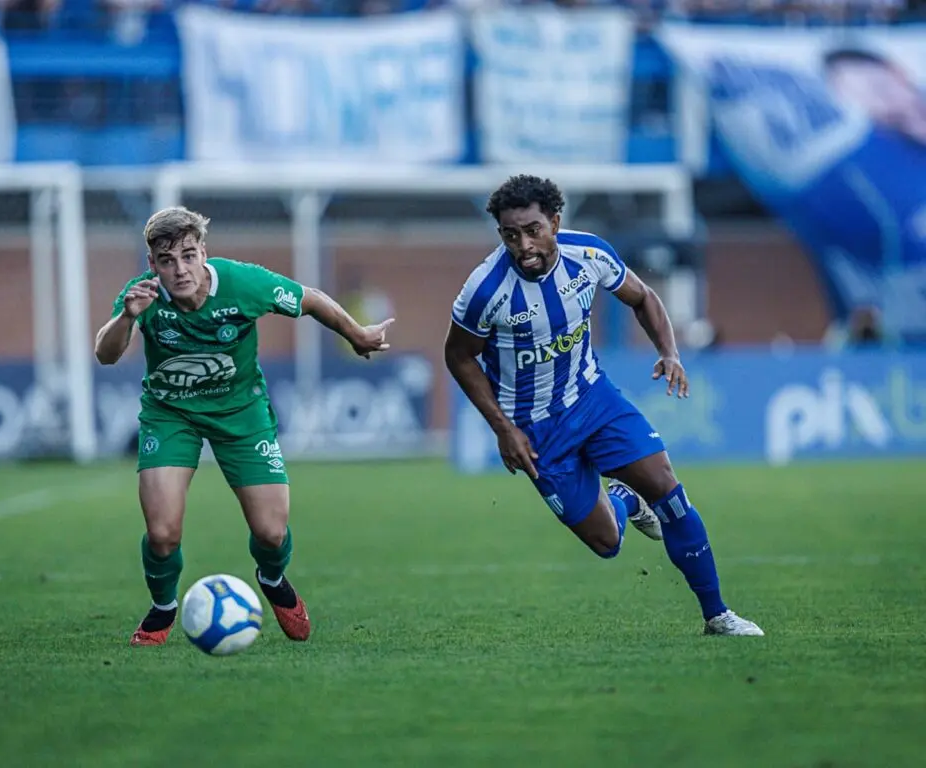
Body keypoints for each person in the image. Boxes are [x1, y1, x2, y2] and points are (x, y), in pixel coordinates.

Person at [444, 175, 762, 636]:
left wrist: (669, 352)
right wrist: (503, 428)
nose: (523, 245)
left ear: (555, 222)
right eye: (510, 235)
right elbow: (458, 355)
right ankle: (623, 501)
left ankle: (717, 615)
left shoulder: (589, 254)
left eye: (533, 230)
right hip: (535, 429)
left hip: (593, 399)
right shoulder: (485, 290)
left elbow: (643, 297)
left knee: (669, 492)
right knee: (606, 542)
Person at [95, 206, 393, 646]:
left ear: (204, 254)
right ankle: (162, 609)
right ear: (152, 264)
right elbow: (106, 354)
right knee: (162, 533)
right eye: (167, 260)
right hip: (170, 412)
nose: (180, 270)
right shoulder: (144, 296)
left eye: (189, 256)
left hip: (241, 413)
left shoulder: (242, 283)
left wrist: (355, 334)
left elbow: (308, 298)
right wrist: (126, 316)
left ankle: (272, 579)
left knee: (271, 532)